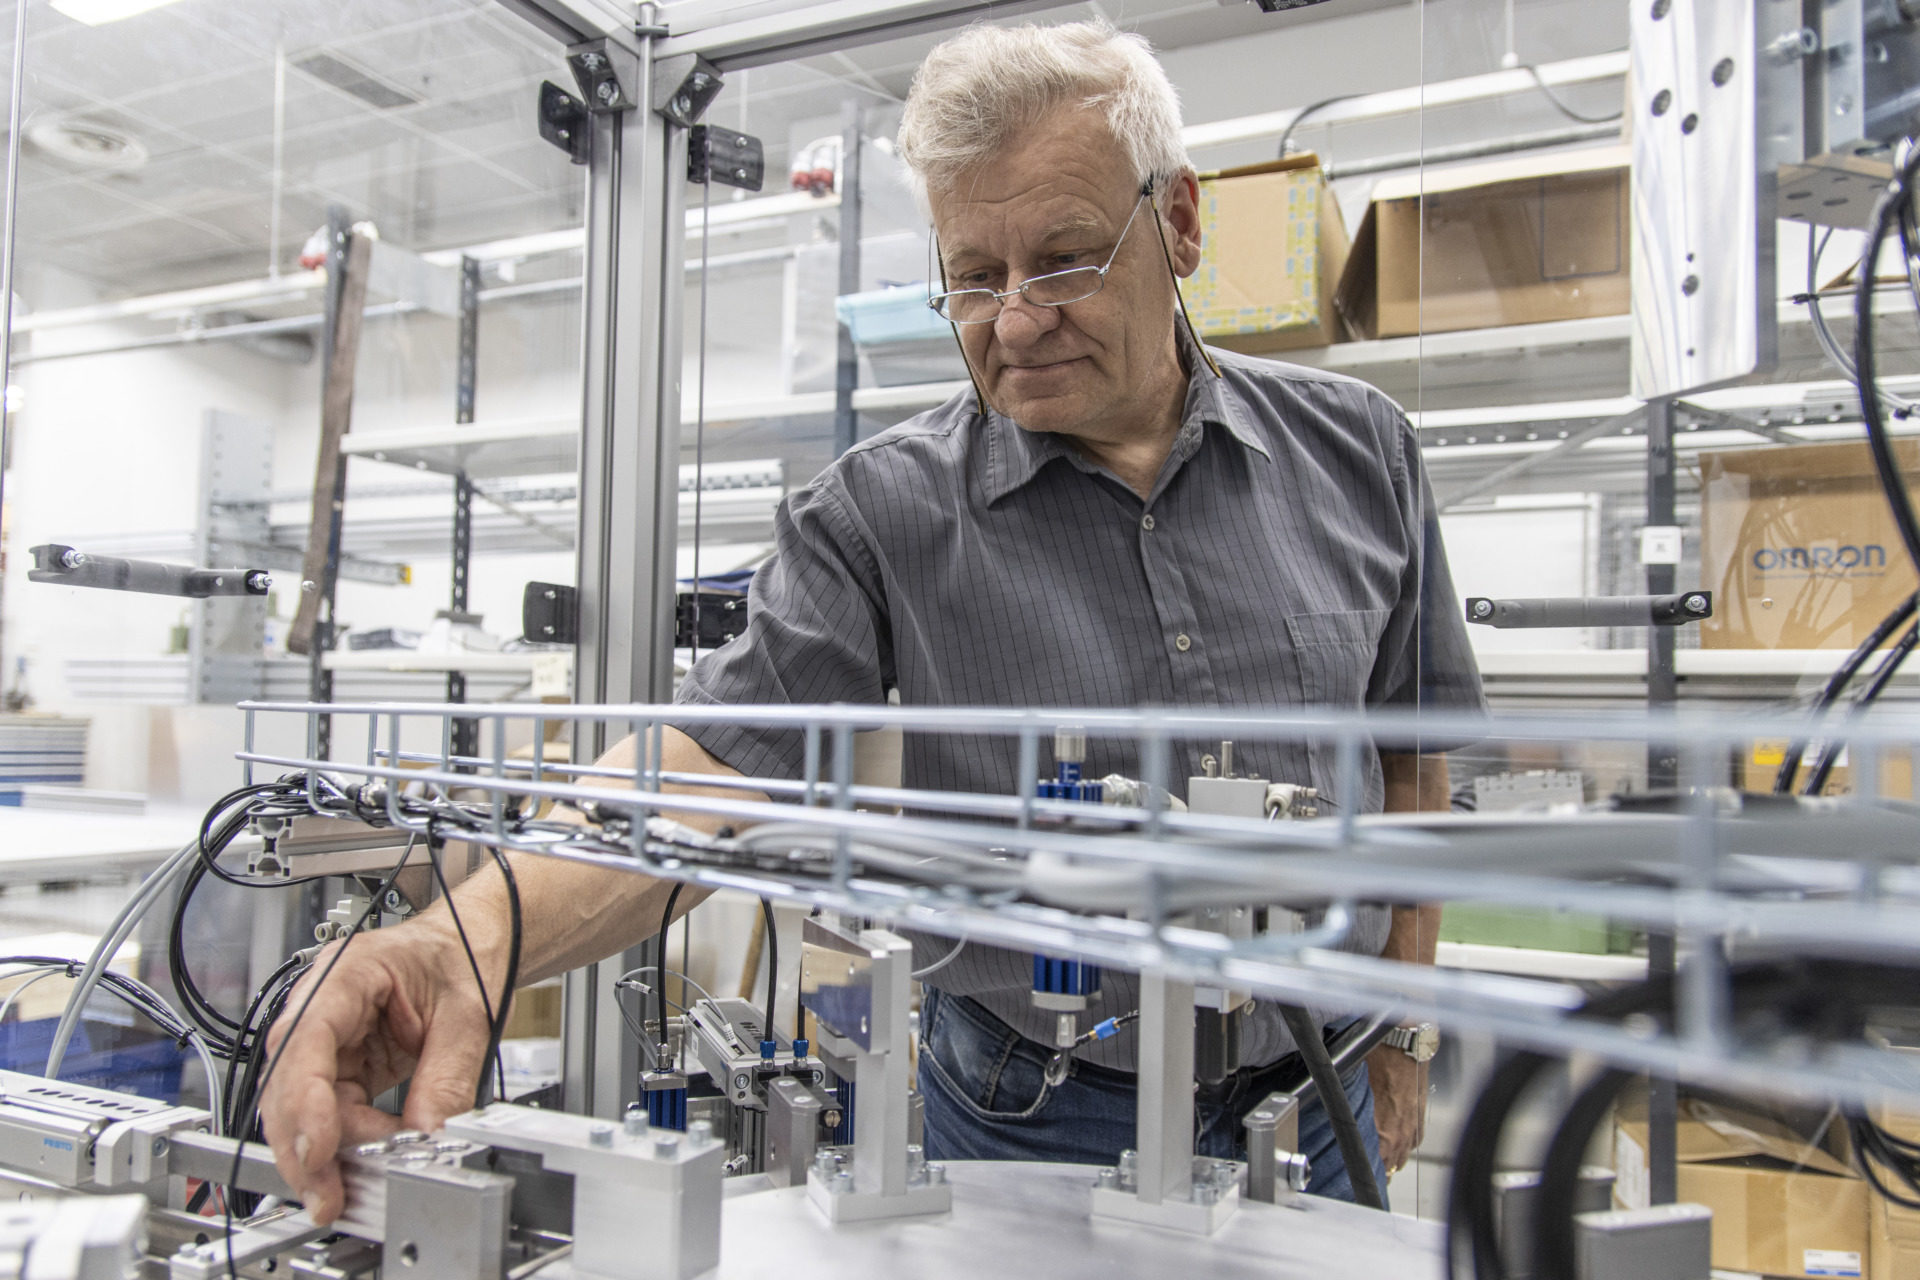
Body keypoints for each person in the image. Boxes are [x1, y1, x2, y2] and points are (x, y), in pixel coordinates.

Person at [261, 19, 1483, 1224]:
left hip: (1317, 1088)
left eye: (1061, 260)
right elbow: (707, 776)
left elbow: (1413, 756)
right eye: (971, 274)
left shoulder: (1361, 450)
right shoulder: (879, 514)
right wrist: (452, 947)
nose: (1012, 318)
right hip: (1034, 1104)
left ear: (1177, 224)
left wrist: (1408, 1027)